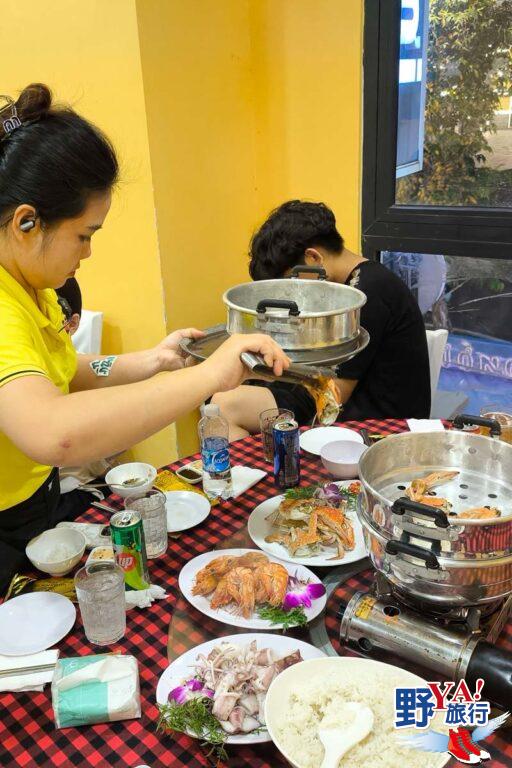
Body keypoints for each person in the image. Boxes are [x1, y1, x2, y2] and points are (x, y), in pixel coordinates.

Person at [0, 84, 289, 590]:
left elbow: (63, 371)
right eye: (84, 235)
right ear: (27, 222)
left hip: (32, 501)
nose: (86, 254)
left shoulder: (28, 284)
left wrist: (153, 361)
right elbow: (53, 432)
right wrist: (207, 375)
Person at [212, 200, 430, 440]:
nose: (293, 293)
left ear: (313, 258)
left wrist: (268, 375)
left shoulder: (367, 293)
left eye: (290, 284)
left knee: (224, 406)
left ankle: (269, 474)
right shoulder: (359, 281)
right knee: (225, 394)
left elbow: (332, 395)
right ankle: (264, 470)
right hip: (347, 402)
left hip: (377, 428)